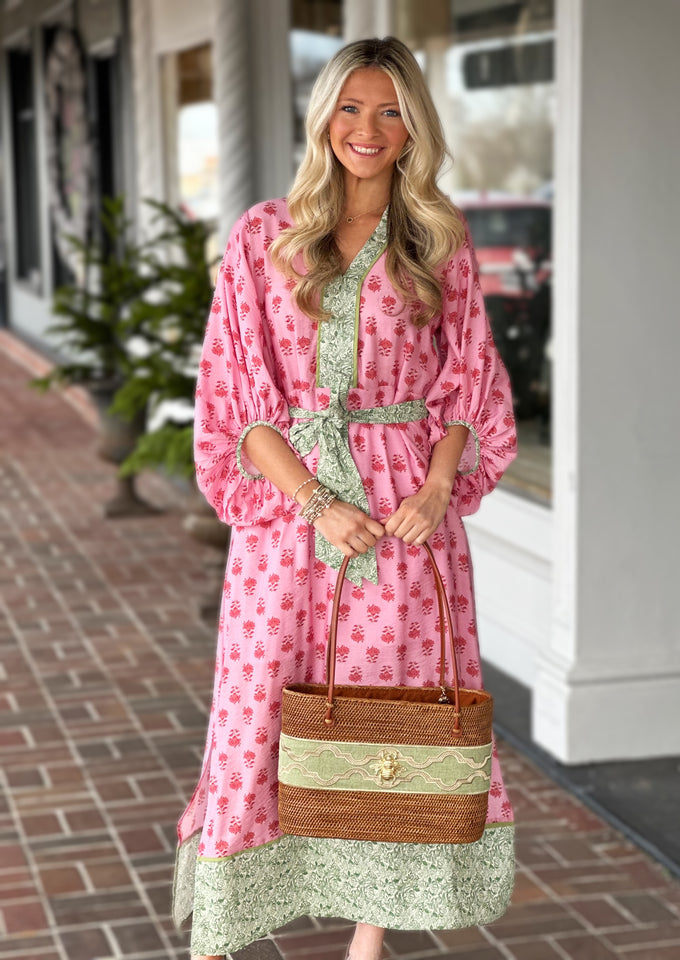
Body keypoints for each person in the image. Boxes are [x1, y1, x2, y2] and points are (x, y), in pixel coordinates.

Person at [173, 35, 517, 960]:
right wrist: (316, 500)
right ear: (324, 115)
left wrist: (441, 485)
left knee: (394, 711)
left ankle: (371, 935)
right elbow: (239, 402)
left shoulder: (438, 238)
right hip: (293, 517)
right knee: (263, 701)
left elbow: (468, 386)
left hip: (408, 516)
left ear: (414, 129)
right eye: (352, 107)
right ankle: (242, 908)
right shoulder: (262, 234)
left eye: (390, 111)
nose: (368, 128)